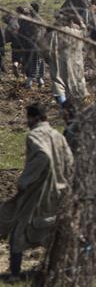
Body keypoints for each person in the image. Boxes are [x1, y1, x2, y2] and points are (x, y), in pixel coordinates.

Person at [0, 104, 74, 280]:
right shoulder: (57, 135)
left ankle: (15, 274)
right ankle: (60, 270)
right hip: (59, 191)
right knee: (53, 230)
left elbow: (43, 156)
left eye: (28, 118)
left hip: (37, 194)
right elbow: (70, 160)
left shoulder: (34, 136)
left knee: (19, 232)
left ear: (33, 118)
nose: (27, 122)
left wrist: (24, 181)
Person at [47, 11, 88, 104]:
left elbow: (45, 50)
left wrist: (49, 60)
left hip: (58, 63)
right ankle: (77, 106)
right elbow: (85, 32)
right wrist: (81, 23)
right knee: (76, 83)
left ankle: (64, 106)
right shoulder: (77, 33)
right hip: (76, 64)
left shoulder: (53, 34)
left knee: (59, 84)